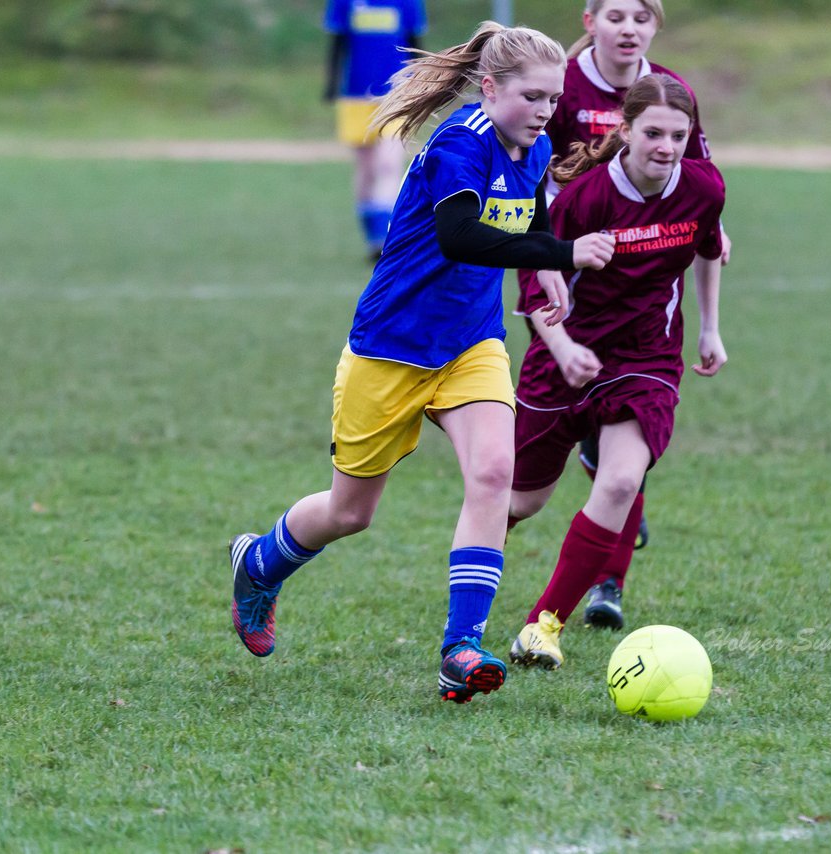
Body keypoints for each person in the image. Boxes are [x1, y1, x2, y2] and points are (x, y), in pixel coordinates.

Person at [230, 22, 617, 703]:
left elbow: (529, 214)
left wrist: (548, 260)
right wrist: (565, 257)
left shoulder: (533, 142)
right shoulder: (457, 146)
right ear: (490, 87)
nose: (544, 112)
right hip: (391, 348)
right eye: (531, 97)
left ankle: (461, 649)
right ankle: (259, 562)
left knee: (495, 472)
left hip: (471, 343)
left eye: (552, 100)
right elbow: (461, 236)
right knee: (351, 513)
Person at [513, 0, 728, 631]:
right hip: (564, 291)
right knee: (519, 498)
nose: (629, 27)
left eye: (642, 15)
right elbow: (527, 176)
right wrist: (546, 256)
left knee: (619, 473)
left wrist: (711, 322)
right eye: (615, 14)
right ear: (589, 20)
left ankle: (584, 597)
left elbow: (706, 213)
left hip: (644, 343)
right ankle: (471, 588)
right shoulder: (563, 90)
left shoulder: (676, 108)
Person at [323, 0, 427, 262]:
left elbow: (416, 44)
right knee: (367, 169)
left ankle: (385, 238)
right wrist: (331, 83)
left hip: (398, 94)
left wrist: (426, 85)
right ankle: (373, 237)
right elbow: (337, 42)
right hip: (356, 96)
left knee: (389, 164)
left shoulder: (409, 2)